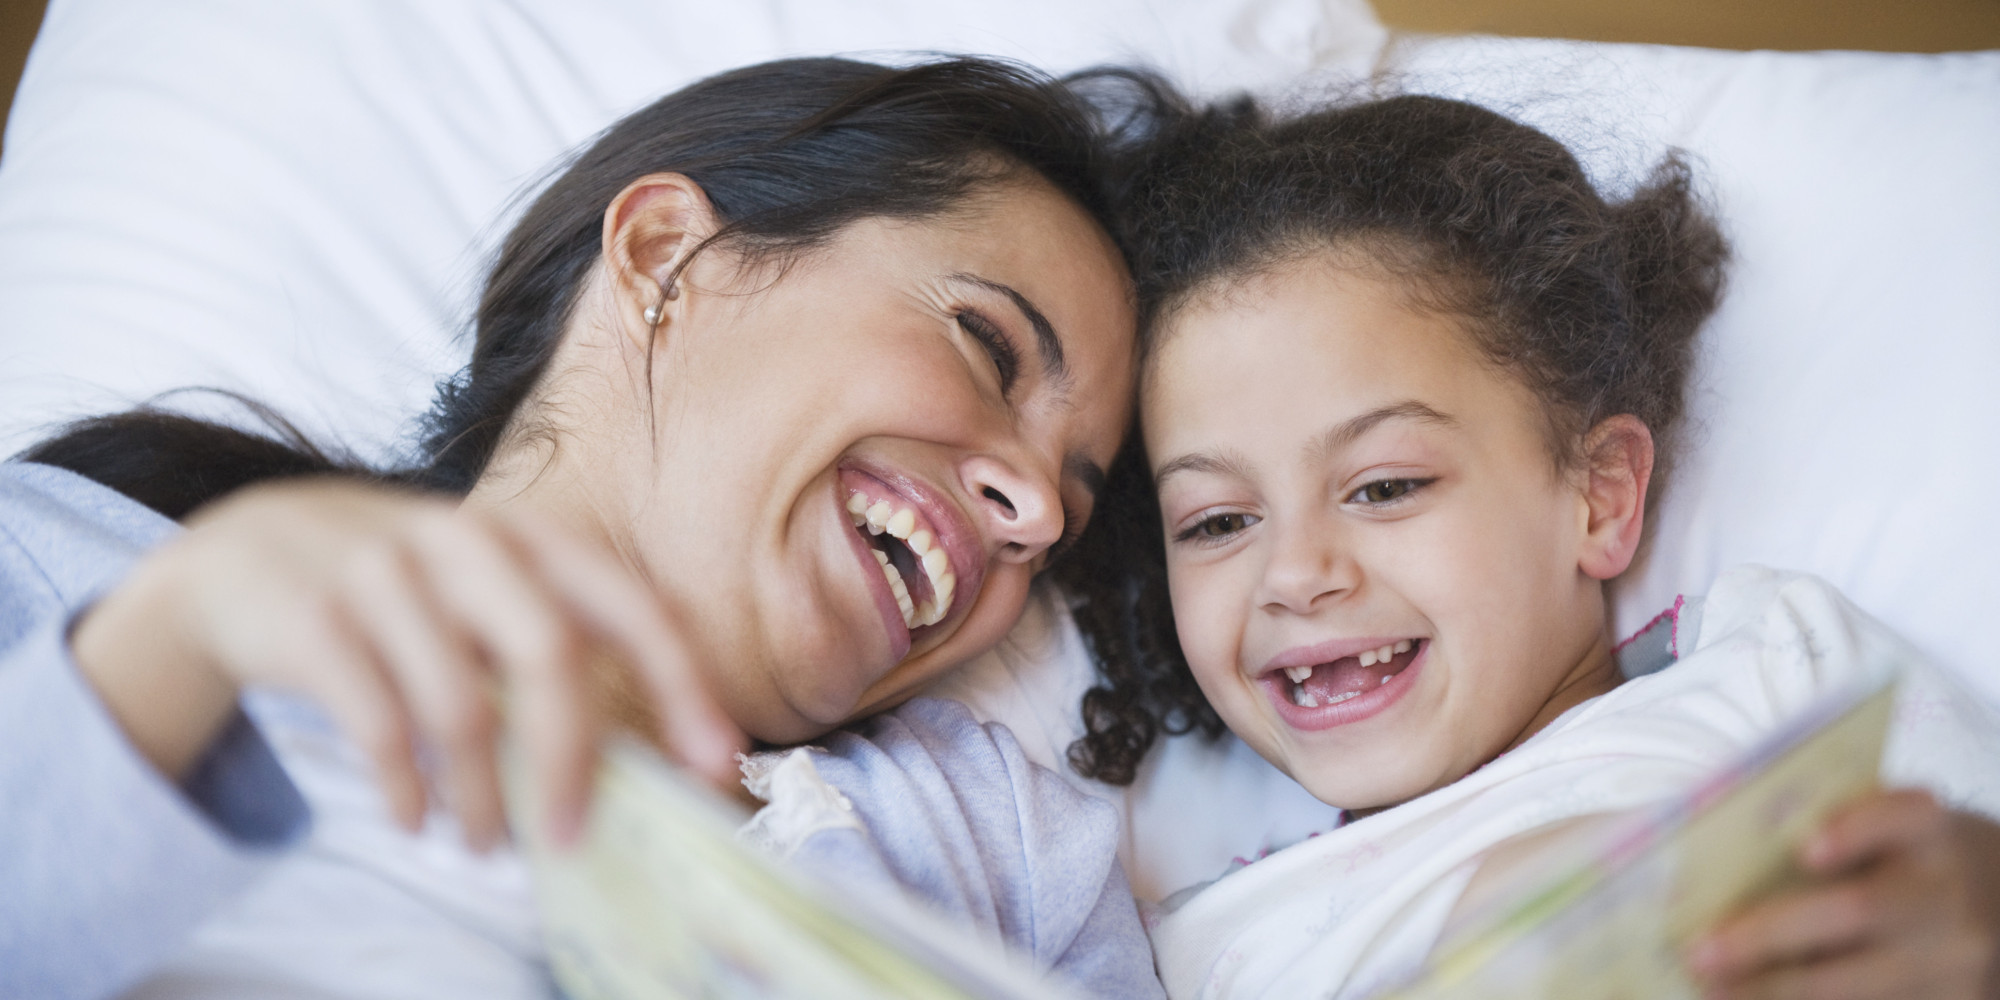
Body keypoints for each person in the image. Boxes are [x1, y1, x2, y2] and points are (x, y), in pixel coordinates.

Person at [0, 56, 1148, 1000]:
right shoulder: (75, 576)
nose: (1033, 514)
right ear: (665, 254)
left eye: (1066, 514)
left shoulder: (998, 848)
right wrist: (177, 641)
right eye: (986, 345)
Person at [1036, 92, 2000, 997]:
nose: (1292, 574)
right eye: (1218, 523)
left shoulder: (1778, 670)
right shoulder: (1200, 946)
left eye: (1384, 487)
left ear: (1598, 494)